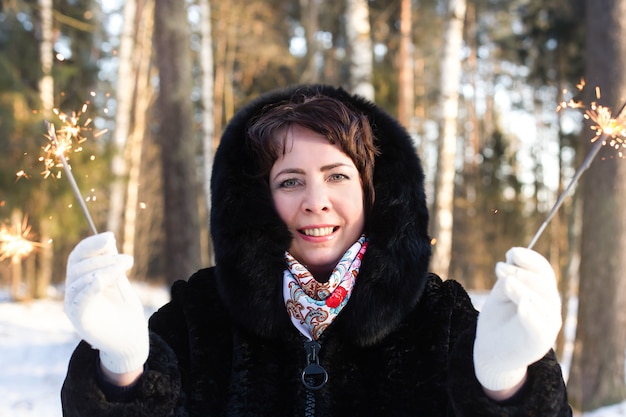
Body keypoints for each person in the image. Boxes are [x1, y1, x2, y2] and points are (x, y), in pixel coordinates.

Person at [61, 84, 572, 416]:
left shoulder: (440, 319)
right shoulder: (197, 318)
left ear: (372, 194)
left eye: (337, 176)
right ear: (257, 201)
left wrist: (506, 386)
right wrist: (123, 371)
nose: (316, 202)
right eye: (289, 182)